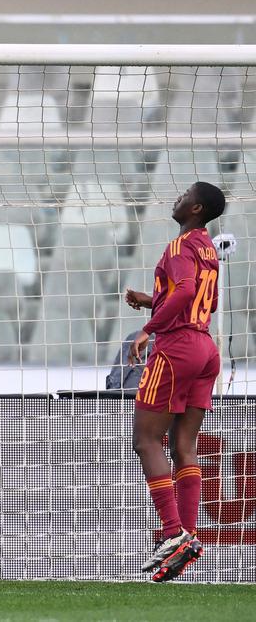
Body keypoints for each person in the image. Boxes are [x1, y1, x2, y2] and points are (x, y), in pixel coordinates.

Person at [125, 181, 226, 583]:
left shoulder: (179, 245)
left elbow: (184, 290)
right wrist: (152, 299)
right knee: (184, 447)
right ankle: (186, 541)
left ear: (196, 208)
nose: (177, 197)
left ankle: (172, 534)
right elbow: (207, 300)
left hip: (177, 347)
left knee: (146, 440)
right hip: (206, 348)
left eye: (184, 194)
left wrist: (148, 327)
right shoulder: (209, 250)